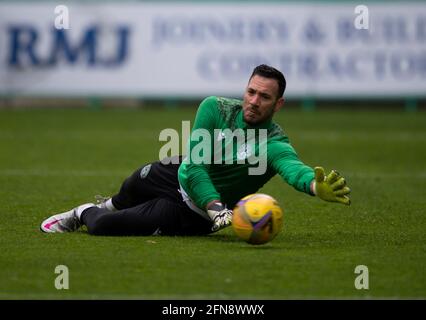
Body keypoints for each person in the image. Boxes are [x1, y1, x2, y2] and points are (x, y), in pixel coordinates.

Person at [40, 64, 351, 236]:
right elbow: (194, 165)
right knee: (133, 184)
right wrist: (218, 206)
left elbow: (293, 169)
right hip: (181, 174)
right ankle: (109, 203)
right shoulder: (214, 108)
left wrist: (313, 184)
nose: (254, 101)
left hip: (194, 213)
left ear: (278, 104)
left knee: (104, 227)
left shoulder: (274, 144)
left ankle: (81, 213)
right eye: (251, 92)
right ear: (245, 90)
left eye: (264, 97)